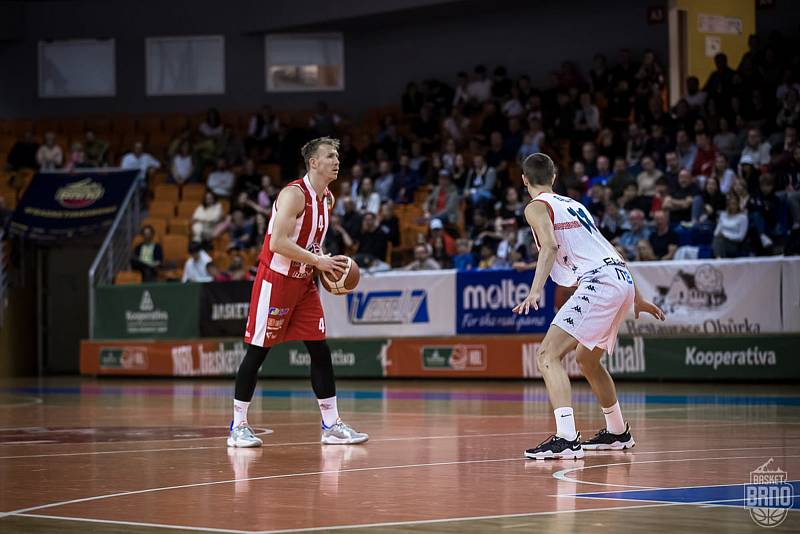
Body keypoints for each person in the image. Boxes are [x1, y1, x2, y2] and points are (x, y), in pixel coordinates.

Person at [513, 153, 664, 460]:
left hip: (600, 282)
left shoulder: (535, 207)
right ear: (554, 177)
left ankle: (567, 438)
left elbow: (551, 247)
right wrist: (637, 296)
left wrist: (534, 291)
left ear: (524, 180)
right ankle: (618, 432)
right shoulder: (576, 205)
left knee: (546, 355)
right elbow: (608, 248)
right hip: (620, 278)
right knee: (587, 360)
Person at [230, 136, 367, 448]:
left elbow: (308, 243)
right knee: (258, 351)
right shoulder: (294, 195)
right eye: (330, 156)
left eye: (337, 156)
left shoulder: (327, 198)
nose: (337, 161)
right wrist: (318, 260)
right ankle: (238, 426)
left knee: (320, 349)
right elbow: (277, 242)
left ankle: (331, 425)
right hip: (276, 280)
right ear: (314, 162)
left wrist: (323, 262)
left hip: (304, 282)